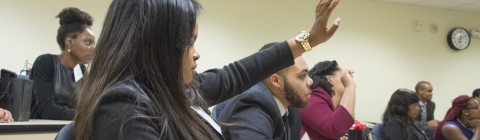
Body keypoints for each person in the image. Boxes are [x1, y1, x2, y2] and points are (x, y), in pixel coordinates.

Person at [73, 0, 342, 139]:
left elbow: (238, 73)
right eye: (189, 43)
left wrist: (308, 41)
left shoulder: (177, 90)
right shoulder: (123, 108)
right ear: (155, 47)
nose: (196, 52)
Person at [217, 42, 312, 140]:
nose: (311, 81)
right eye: (302, 76)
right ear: (276, 81)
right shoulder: (253, 103)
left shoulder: (291, 107)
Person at [29, 7, 95, 120]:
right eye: (88, 43)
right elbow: (48, 110)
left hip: (68, 127)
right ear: (69, 41)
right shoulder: (45, 63)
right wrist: (87, 116)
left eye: (94, 44)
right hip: (39, 131)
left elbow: (86, 106)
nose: (93, 49)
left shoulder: (81, 69)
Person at [299, 60, 355, 140]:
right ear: (329, 79)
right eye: (343, 76)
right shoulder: (311, 99)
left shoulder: (333, 106)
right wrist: (350, 86)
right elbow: (335, 129)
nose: (347, 79)